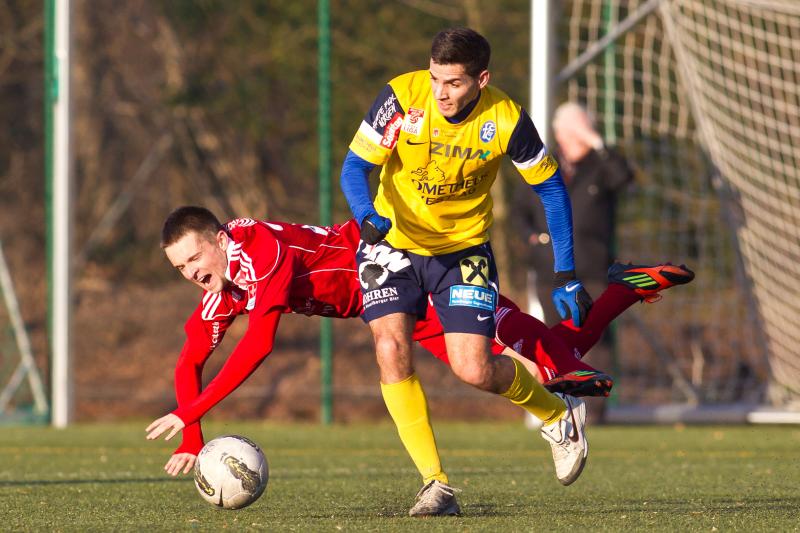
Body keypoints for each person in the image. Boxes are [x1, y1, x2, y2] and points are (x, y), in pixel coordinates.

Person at [144, 206, 694, 515]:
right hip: (382, 302)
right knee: (524, 364)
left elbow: (259, 344)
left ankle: (581, 363)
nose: (191, 273)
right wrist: (192, 436)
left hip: (397, 263)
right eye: (180, 269)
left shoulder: (257, 247)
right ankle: (438, 484)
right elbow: (188, 362)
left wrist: (189, 411)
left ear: (219, 240)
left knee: (540, 362)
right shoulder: (223, 290)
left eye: (194, 258)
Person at [338, 27, 593, 514]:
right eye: (435, 78)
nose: (440, 92)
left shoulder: (507, 119)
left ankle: (557, 415)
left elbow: (552, 190)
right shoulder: (401, 97)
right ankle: (435, 484)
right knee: (390, 348)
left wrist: (566, 273)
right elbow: (354, 167)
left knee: (473, 369)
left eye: (453, 83)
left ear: (482, 80)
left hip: (464, 252)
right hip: (391, 246)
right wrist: (365, 215)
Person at [513, 102, 635, 423]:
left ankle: (595, 412)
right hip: (549, 271)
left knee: (595, 338)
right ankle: (561, 408)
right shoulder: (543, 164)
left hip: (593, 269)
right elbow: (519, 208)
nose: (573, 137)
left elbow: (624, 178)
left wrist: (596, 142)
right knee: (555, 339)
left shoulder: (601, 166)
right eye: (568, 130)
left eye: (579, 129)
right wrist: (531, 238)